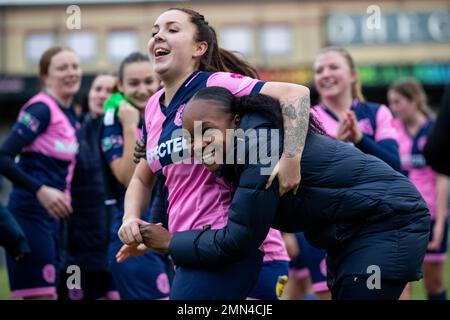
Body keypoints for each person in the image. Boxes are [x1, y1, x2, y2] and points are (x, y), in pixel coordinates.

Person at [130, 86, 430, 300]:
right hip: (354, 232)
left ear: (235, 122)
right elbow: (164, 180)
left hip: (390, 222)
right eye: (191, 137)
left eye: (207, 130)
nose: (199, 145)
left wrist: (170, 242)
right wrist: (152, 228)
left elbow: (239, 239)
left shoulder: (258, 148)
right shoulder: (239, 152)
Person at [118, 7, 310, 300]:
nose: (158, 35)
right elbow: (143, 178)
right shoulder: (153, 107)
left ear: (199, 47)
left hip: (241, 252)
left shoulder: (215, 84)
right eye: (155, 31)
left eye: (172, 29)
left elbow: (296, 94)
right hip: (192, 251)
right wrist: (130, 219)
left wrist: (291, 159)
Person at [284, 45, 402, 299]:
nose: (325, 74)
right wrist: (334, 149)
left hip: (378, 222)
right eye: (319, 70)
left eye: (333, 67)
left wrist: (360, 139)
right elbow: (294, 179)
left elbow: (395, 168)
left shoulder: (376, 112)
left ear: (352, 75)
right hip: (327, 226)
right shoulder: (307, 118)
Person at [0, 46, 80, 299]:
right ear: (46, 77)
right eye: (62, 67)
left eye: (75, 66)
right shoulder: (41, 109)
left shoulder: (70, 113)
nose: (71, 72)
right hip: (29, 215)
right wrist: (41, 191)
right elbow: (3, 156)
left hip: (53, 220)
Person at [101, 52, 170, 300]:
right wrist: (131, 126)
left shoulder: (167, 112)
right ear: (120, 86)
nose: (143, 89)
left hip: (168, 232)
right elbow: (129, 177)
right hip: (132, 236)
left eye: (148, 81)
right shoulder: (113, 120)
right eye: (133, 83)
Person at [58, 73, 119, 300]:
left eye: (109, 90)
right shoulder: (71, 134)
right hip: (77, 253)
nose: (102, 95)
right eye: (97, 89)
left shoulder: (125, 135)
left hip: (116, 247)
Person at [388, 78, 448, 300]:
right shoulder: (391, 131)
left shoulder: (435, 131)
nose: (394, 108)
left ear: (414, 101)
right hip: (400, 216)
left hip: (431, 214)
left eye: (398, 102)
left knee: (434, 284)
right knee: (401, 285)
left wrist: (441, 222)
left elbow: (443, 177)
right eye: (390, 103)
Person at [424, 86, 450, 175]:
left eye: (397, 102)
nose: (393, 108)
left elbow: (435, 150)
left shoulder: (429, 126)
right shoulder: (396, 129)